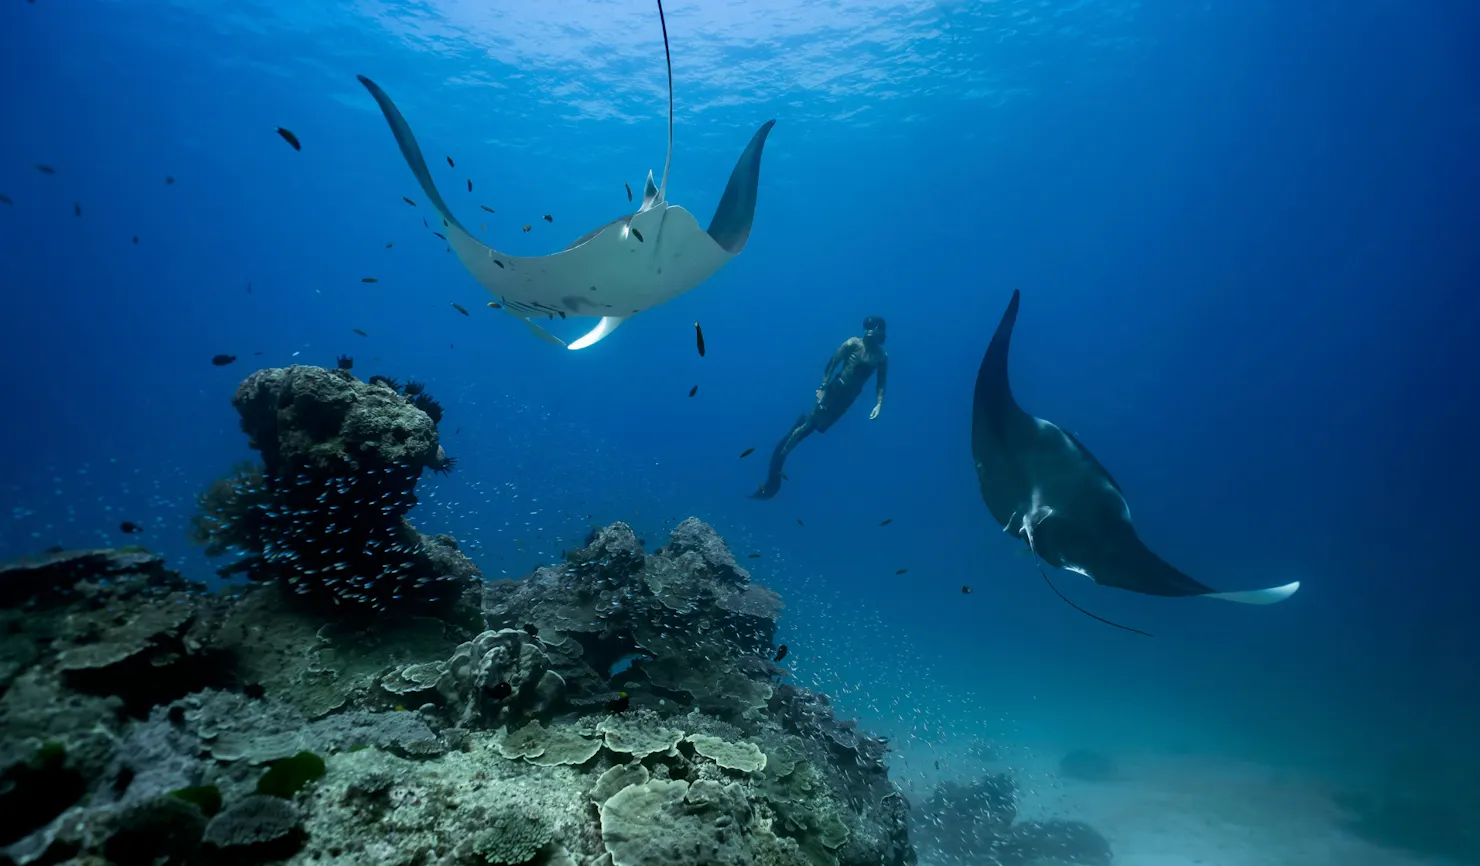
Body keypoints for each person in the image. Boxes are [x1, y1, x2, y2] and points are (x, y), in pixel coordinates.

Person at [751, 316, 889, 499]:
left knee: (820, 427)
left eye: (873, 326)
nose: (868, 329)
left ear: (881, 330)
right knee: (811, 424)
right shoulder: (852, 344)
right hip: (835, 389)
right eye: (867, 326)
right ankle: (781, 457)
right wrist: (823, 387)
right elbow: (833, 362)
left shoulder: (881, 357)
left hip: (849, 398)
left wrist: (879, 403)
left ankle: (796, 430)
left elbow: (881, 382)